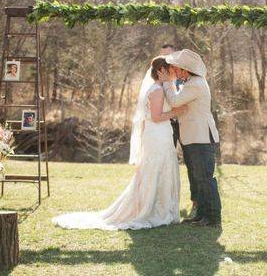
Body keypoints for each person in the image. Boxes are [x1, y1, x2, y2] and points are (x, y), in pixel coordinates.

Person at [52, 57, 187, 230]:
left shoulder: (161, 88)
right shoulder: (157, 91)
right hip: (157, 134)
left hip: (161, 134)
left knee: (163, 167)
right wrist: (177, 111)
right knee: (155, 169)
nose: (173, 73)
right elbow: (156, 117)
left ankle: (162, 209)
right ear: (162, 71)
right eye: (170, 70)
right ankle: (152, 210)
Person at [160, 49, 221, 227]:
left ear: (185, 70)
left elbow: (174, 101)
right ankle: (202, 215)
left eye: (177, 69)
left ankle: (213, 217)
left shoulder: (196, 84)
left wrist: (166, 83)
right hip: (194, 137)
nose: (174, 72)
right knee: (198, 178)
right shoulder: (191, 82)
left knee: (205, 178)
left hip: (200, 138)